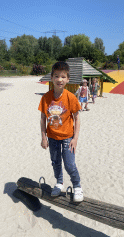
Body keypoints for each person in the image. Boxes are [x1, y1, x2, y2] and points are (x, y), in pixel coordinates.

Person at [38, 61, 84, 202]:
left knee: (69, 165)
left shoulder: (71, 97)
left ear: (68, 79)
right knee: (55, 162)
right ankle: (59, 183)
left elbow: (77, 119)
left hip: (67, 138)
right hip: (52, 138)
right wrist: (43, 137)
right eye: (56, 76)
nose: (60, 79)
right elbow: (42, 118)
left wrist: (75, 139)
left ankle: (77, 186)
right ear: (51, 78)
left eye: (63, 77)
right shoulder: (46, 98)